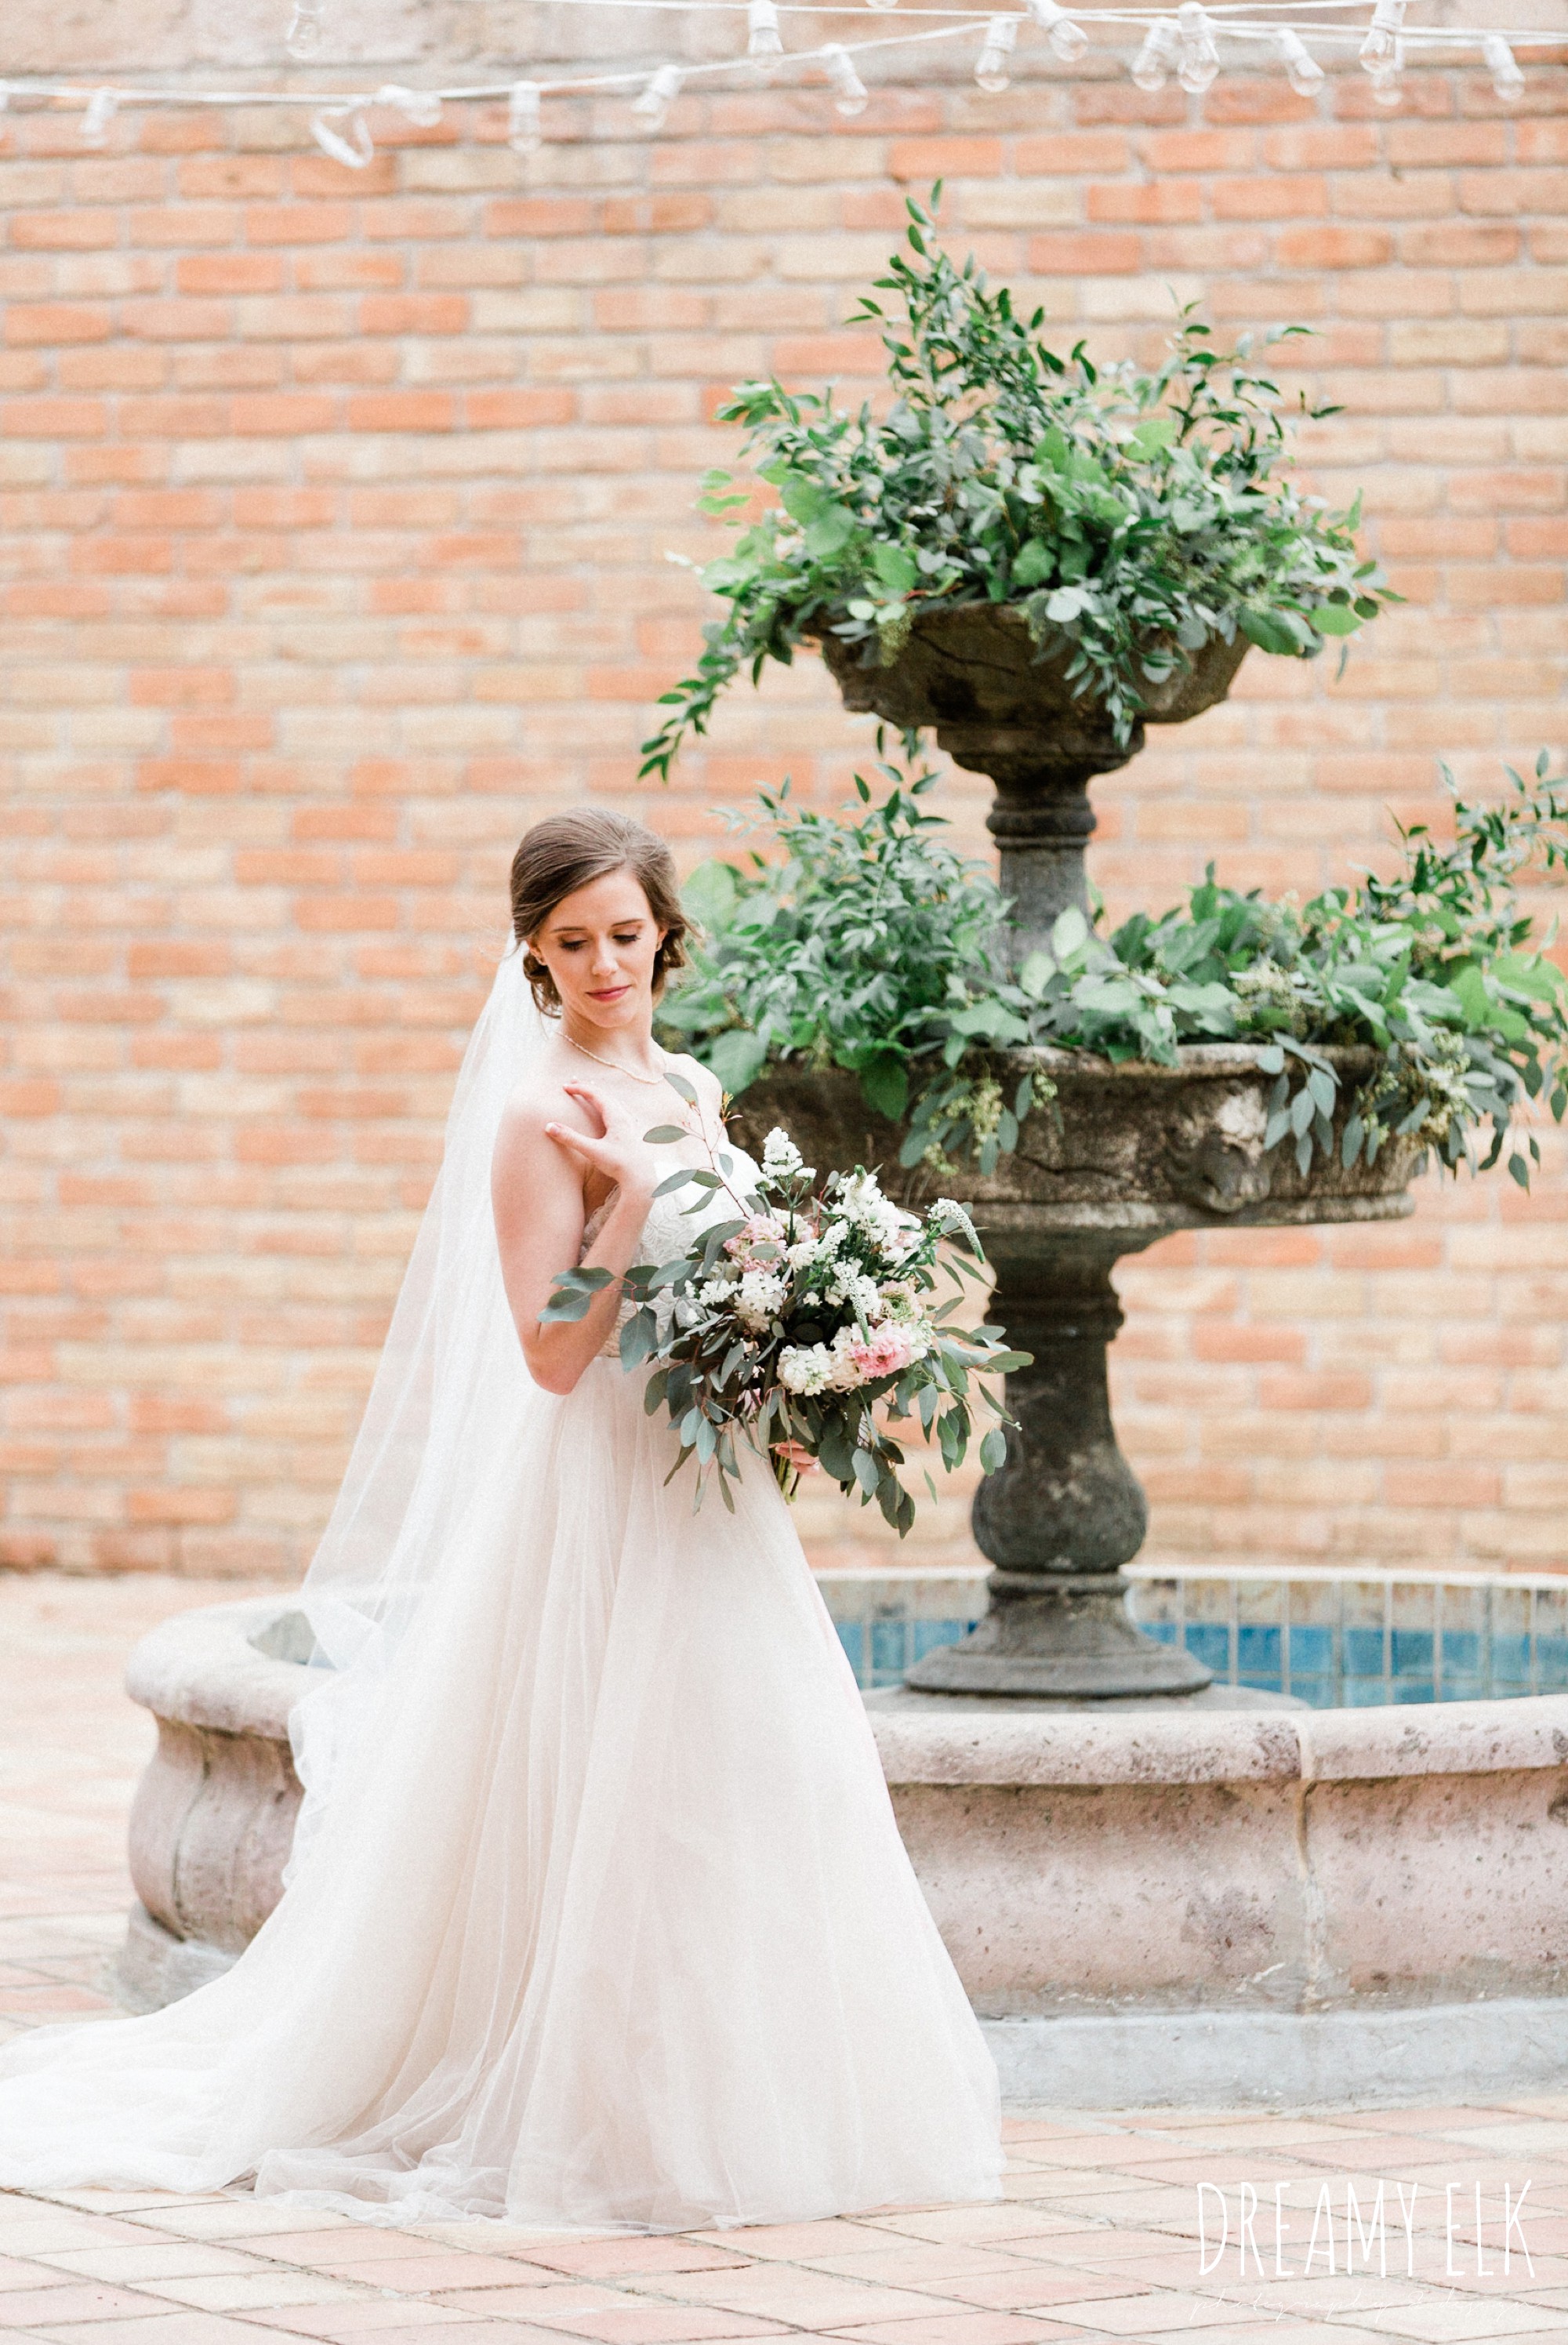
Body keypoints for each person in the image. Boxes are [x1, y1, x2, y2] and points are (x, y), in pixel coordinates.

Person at [0, 808, 1004, 2233]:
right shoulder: (540, 1115)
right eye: (575, 943)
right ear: (534, 953)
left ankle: (727, 2090)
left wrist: (800, 1359)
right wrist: (628, 1201)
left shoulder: (695, 1083)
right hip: (595, 1490)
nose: (608, 966)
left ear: (667, 934)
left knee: (741, 1771)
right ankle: (592, 2110)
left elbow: (723, 1287)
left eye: (628, 937)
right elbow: (549, 1351)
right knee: (604, 1777)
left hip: (704, 1488)